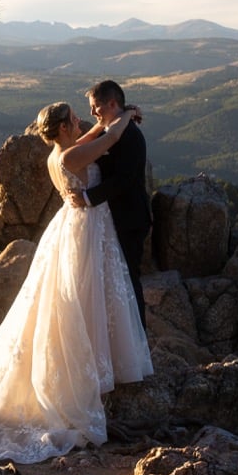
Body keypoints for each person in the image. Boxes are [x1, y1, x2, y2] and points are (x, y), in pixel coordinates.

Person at [0, 102, 153, 463]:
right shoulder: (71, 158)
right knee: (83, 298)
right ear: (64, 128)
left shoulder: (59, 155)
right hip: (85, 232)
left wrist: (103, 122)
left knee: (77, 298)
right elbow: (110, 137)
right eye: (74, 120)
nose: (80, 122)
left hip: (74, 226)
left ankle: (96, 370)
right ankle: (84, 381)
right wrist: (125, 115)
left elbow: (92, 136)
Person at [71, 80, 150, 330]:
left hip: (130, 219)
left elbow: (123, 180)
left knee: (129, 280)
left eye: (96, 107)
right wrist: (127, 113)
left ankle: (138, 336)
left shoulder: (129, 136)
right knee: (117, 280)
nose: (92, 113)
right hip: (112, 218)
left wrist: (87, 198)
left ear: (112, 104)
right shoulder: (113, 129)